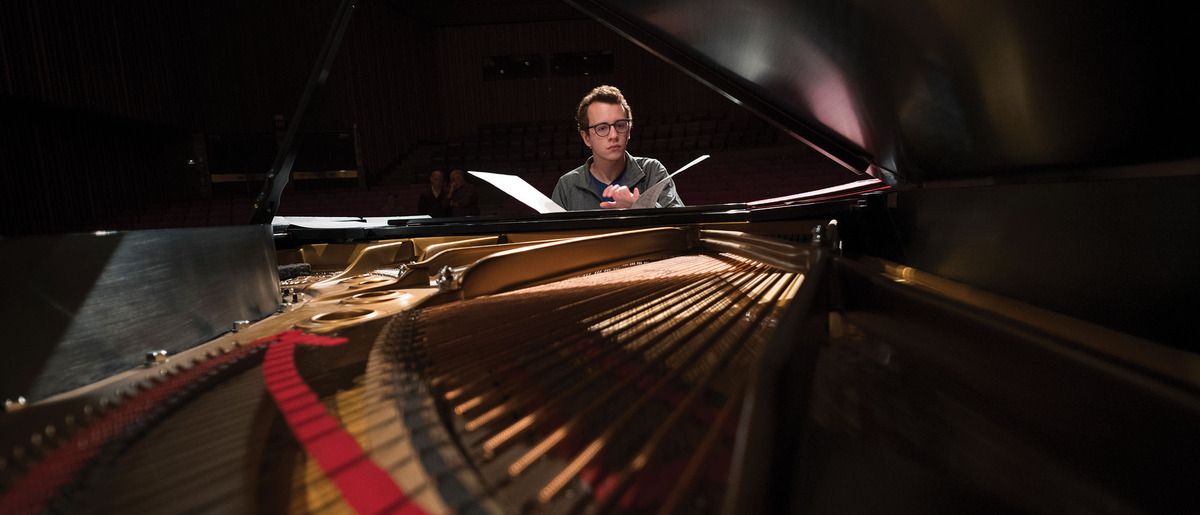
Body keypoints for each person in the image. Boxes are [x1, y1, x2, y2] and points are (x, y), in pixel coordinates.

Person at [551, 85, 683, 210]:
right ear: (586, 138)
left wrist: (638, 206)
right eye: (602, 128)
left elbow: (682, 225)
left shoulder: (653, 171)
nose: (613, 135)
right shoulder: (567, 186)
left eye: (620, 125)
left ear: (629, 131)